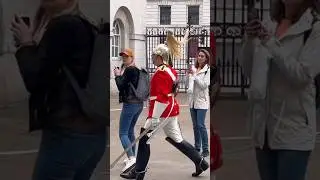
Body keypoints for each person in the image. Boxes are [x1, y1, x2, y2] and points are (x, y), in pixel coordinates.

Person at [11, 0, 106, 179]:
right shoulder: (86, 25)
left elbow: (35, 78)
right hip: (94, 136)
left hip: (67, 136)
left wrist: (25, 44)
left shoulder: (63, 26)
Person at [241, 0, 320, 180]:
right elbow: (248, 70)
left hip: (294, 130)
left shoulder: (314, 29)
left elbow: (301, 75)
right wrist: (250, 40)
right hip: (263, 130)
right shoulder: (270, 24)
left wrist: (270, 42)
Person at [120, 30, 209, 180]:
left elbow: (161, 97)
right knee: (176, 139)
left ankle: (139, 173)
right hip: (170, 110)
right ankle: (200, 162)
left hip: (161, 111)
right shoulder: (170, 70)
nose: (153, 58)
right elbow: (173, 90)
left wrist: (154, 117)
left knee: (144, 138)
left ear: (161, 57)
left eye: (155, 56)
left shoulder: (161, 73)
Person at [114, 48, 144, 173]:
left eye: (126, 56)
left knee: (123, 133)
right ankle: (133, 157)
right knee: (130, 131)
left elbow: (121, 86)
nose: (124, 58)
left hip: (130, 104)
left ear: (132, 57)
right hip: (139, 104)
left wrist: (117, 76)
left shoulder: (130, 70)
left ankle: (131, 158)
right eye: (123, 57)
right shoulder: (136, 70)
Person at [187, 49, 211, 157]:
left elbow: (204, 85)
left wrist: (195, 76)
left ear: (206, 59)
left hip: (202, 102)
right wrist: (190, 76)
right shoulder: (194, 68)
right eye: (199, 56)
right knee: (195, 126)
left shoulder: (208, 70)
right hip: (192, 101)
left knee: (201, 125)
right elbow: (191, 85)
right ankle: (197, 147)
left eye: (202, 56)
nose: (200, 57)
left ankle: (205, 149)